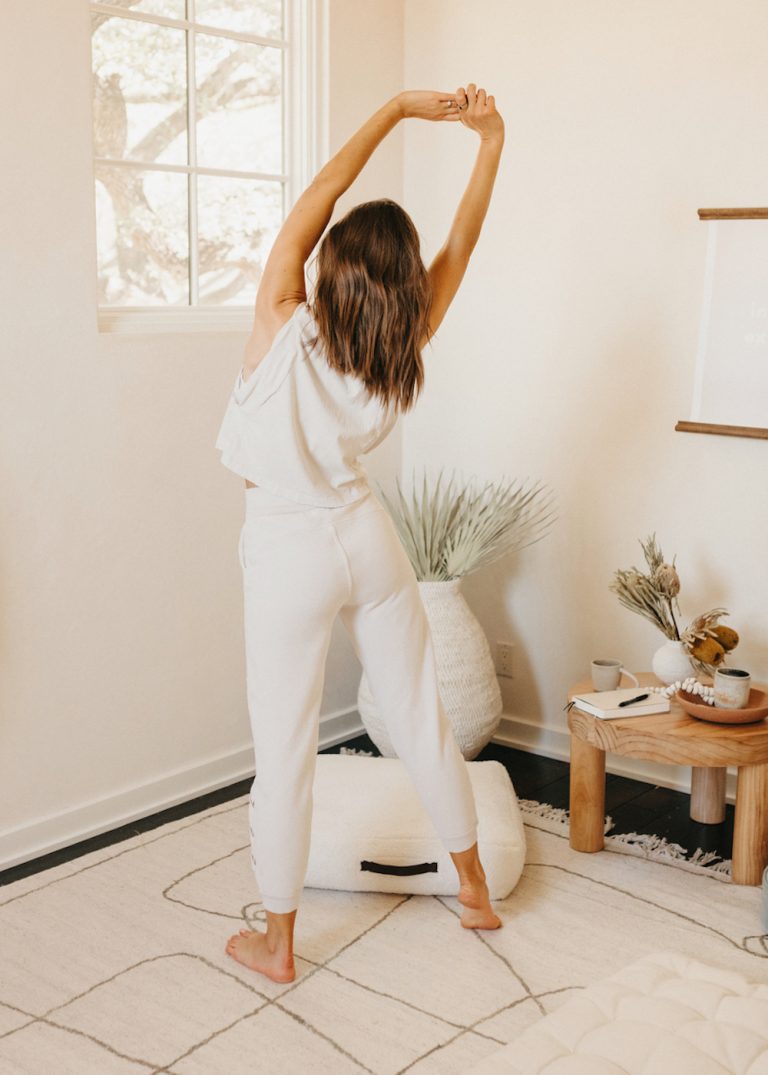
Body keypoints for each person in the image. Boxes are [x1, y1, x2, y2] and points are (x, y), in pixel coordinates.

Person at [216, 84, 505, 983]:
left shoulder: (281, 321)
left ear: (330, 268)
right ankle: (475, 892)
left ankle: (280, 942)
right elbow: (463, 242)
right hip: (363, 531)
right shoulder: (404, 341)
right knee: (422, 709)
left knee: (286, 745)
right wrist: (489, 141)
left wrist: (393, 111)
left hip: (288, 546)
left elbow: (322, 194)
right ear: (404, 285)